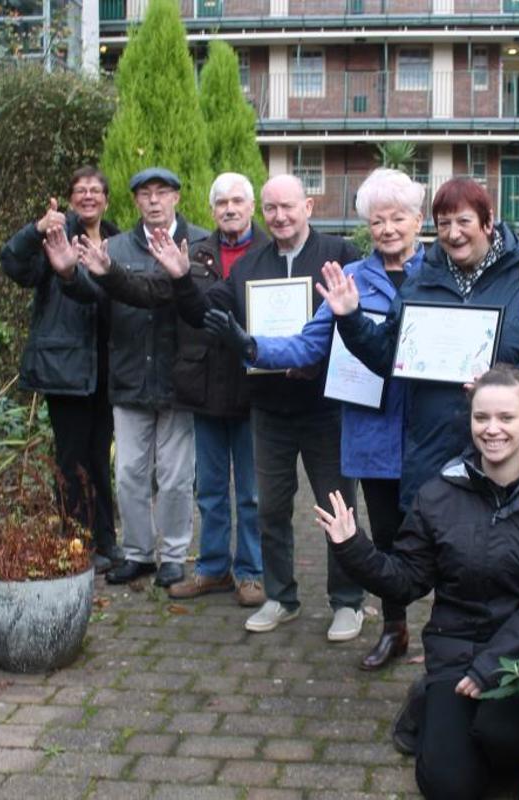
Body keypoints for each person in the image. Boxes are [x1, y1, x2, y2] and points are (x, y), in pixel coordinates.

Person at [314, 365, 519, 800]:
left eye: (506, 418)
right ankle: (432, 701)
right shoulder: (439, 494)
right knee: (445, 784)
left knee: (504, 741)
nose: (492, 429)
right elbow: (406, 581)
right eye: (482, 418)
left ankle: (461, 720)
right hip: (456, 648)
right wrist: (353, 548)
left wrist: (492, 665)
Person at [131, 174, 367, 643]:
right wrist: (180, 278)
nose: (279, 216)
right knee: (272, 509)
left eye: (288, 207)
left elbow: (356, 322)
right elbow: (206, 313)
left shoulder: (339, 255)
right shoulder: (249, 266)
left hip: (326, 407)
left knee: (336, 506)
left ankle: (348, 601)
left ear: (309, 207)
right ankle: (281, 596)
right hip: (270, 408)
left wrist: (314, 363)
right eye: (272, 209)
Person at [207, 168, 424, 669]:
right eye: (378, 220)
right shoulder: (352, 276)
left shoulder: (420, 270)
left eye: (398, 218)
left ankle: (358, 604)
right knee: (301, 511)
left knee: (405, 520)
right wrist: (252, 346)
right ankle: (356, 615)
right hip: (351, 416)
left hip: (400, 418)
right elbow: (310, 337)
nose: (388, 228)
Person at [319, 177, 519, 508]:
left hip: (509, 457)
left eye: (464, 221)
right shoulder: (422, 281)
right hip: (435, 459)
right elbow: (389, 355)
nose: (453, 233)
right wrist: (350, 318)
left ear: (487, 221)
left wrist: (515, 384)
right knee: (431, 552)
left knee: (507, 549)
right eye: (444, 223)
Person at [81, 172, 270, 608]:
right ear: (211, 207)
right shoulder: (197, 252)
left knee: (248, 490)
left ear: (251, 205)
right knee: (206, 488)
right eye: (222, 202)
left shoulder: (266, 252)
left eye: (238, 201)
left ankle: (251, 572)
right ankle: (210, 567)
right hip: (201, 387)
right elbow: (151, 292)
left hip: (251, 384)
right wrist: (108, 271)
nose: (229, 208)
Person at [49, 167, 208, 588]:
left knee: (175, 476)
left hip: (179, 379)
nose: (154, 201)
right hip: (129, 373)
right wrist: (68, 274)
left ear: (176, 197)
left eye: (162, 192)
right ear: (135, 201)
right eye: (145, 194)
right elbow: (93, 295)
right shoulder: (114, 246)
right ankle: (138, 552)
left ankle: (173, 554)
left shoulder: (200, 242)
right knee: (130, 474)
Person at [0, 166, 120, 572]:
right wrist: (35, 230)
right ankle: (75, 542)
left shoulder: (118, 240)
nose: (88, 196)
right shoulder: (54, 236)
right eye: (80, 191)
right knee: (71, 460)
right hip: (65, 367)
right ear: (70, 199)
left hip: (106, 366)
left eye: (95, 190)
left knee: (100, 458)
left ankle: (106, 541)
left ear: (105, 199)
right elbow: (13, 264)